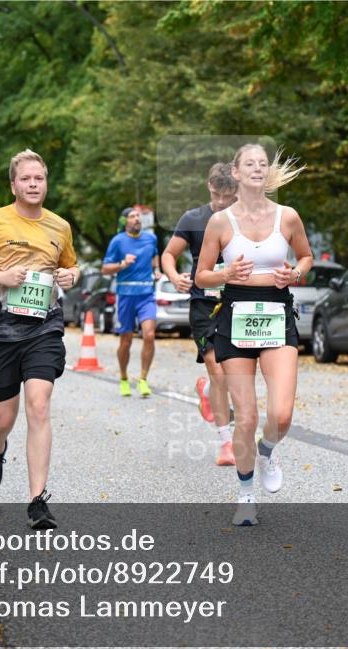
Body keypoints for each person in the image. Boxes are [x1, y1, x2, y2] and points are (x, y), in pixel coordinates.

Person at [0, 149, 79, 530]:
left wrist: (71, 276)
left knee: (38, 405)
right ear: (13, 185)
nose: (33, 184)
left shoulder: (60, 226)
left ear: (46, 183)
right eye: (26, 178)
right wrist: (1, 278)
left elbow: (70, 266)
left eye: (39, 178)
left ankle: (37, 500)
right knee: (3, 418)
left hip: (44, 328)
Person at [195, 144, 313, 526]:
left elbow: (306, 258)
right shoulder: (220, 222)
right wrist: (226, 274)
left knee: (282, 414)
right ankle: (246, 496)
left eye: (263, 163)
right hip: (235, 314)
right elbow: (201, 276)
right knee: (245, 417)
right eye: (250, 163)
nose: (258, 168)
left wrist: (295, 273)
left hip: (277, 312)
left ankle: (267, 451)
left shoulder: (287, 216)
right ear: (237, 172)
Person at [161, 163, 238, 466]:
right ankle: (226, 442)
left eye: (228, 197)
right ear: (209, 186)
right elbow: (169, 254)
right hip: (204, 305)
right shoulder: (193, 219)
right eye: (217, 195)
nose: (221, 202)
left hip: (237, 304)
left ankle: (206, 390)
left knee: (231, 375)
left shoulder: (245, 219)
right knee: (218, 372)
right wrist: (173, 276)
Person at [101, 207, 162, 397]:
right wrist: (122, 264)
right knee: (126, 341)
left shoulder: (151, 238)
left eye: (138, 216)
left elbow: (155, 254)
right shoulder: (117, 241)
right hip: (125, 295)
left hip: (146, 294)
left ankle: (143, 379)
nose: (137, 219)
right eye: (132, 216)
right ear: (124, 221)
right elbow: (105, 268)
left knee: (149, 335)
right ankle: (124, 378)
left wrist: (157, 270)